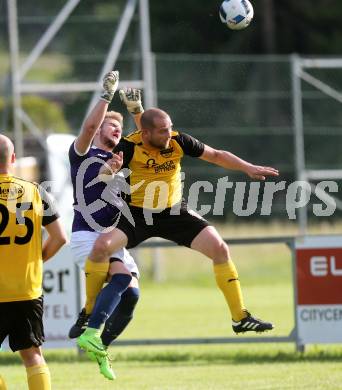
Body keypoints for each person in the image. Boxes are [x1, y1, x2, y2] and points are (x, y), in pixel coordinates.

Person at [78, 103, 280, 355]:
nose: (168, 134)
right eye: (162, 131)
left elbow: (216, 155)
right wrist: (110, 170)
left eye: (169, 128)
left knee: (220, 248)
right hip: (138, 215)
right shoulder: (128, 146)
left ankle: (240, 317)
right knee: (100, 248)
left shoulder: (178, 141)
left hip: (174, 212)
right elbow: (102, 173)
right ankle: (88, 311)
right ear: (146, 133)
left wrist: (247, 167)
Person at [68, 71, 143, 380]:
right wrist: (106, 96)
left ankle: (100, 343)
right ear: (100, 129)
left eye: (119, 127)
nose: (117, 130)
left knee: (132, 296)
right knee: (123, 278)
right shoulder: (83, 153)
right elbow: (88, 126)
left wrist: (137, 113)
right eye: (112, 125)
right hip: (87, 236)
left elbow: (152, 141)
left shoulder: (120, 161)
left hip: (112, 239)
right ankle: (91, 326)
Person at [0, 135, 67, 390]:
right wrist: (36, 261)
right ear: (13, 159)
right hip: (27, 288)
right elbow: (60, 237)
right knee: (33, 355)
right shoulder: (35, 191)